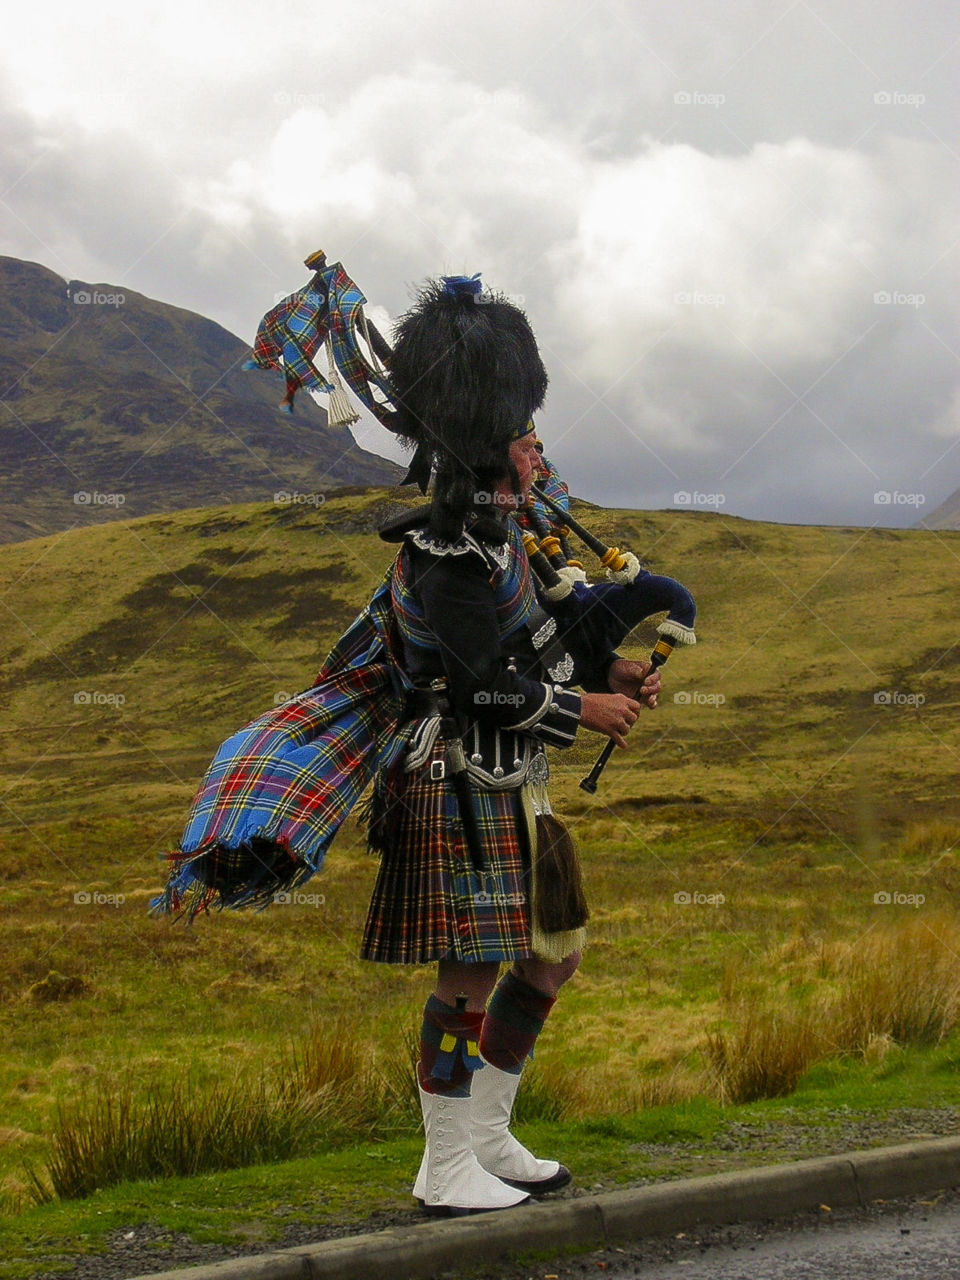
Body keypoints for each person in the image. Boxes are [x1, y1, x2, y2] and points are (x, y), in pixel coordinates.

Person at [356, 277, 661, 1215]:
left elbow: (533, 647)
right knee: (468, 971)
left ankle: (487, 1136)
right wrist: (583, 718)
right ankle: (442, 1164)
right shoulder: (444, 555)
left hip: (511, 778)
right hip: (456, 776)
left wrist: (604, 678)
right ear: (493, 443)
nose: (538, 447)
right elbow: (473, 682)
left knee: (550, 956)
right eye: (526, 433)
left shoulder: (502, 539)